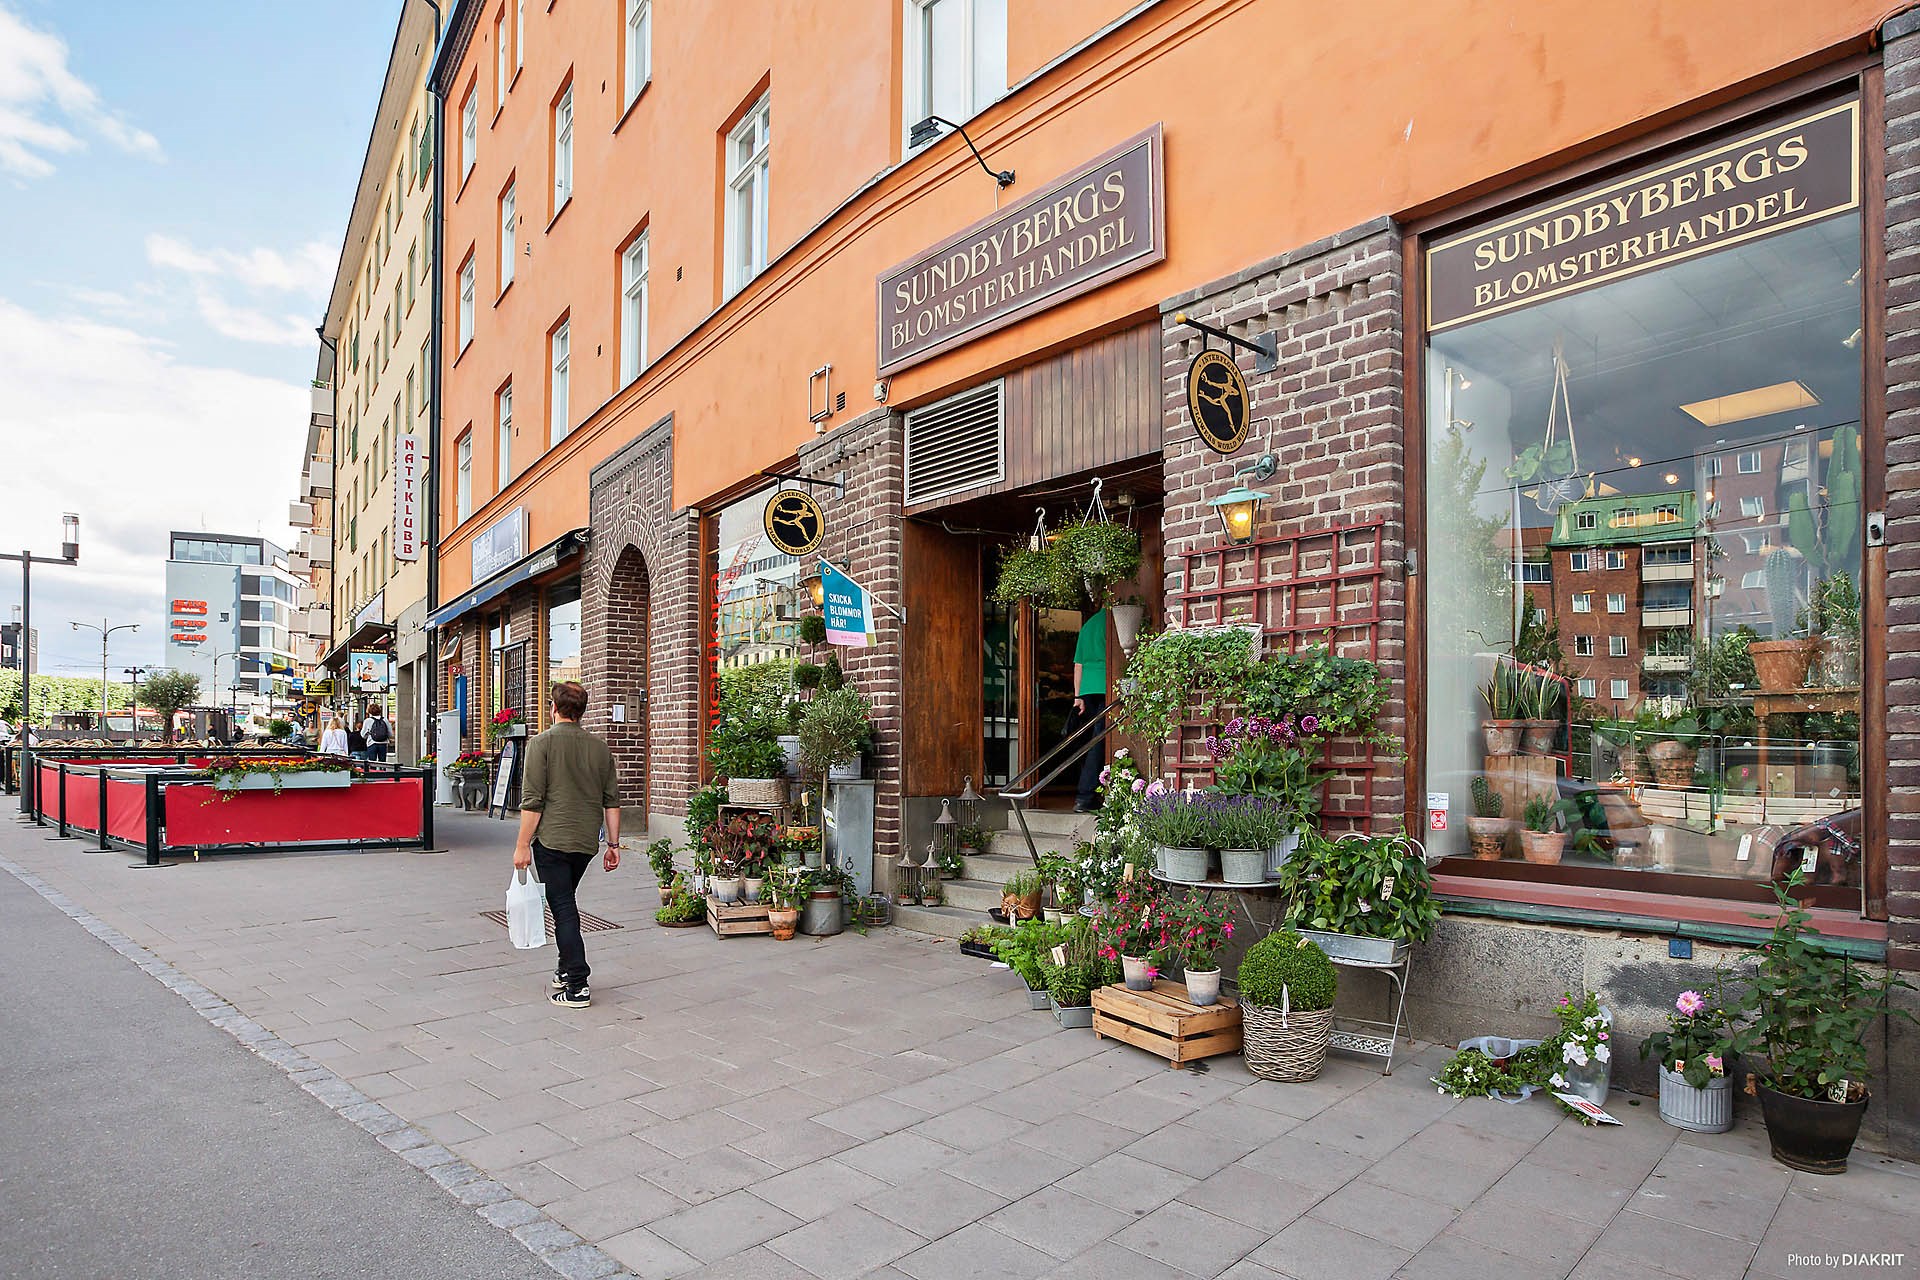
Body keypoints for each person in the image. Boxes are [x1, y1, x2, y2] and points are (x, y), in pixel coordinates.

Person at [514, 681, 621, 1008]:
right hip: (585, 843)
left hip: (552, 840)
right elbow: (611, 801)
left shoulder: (540, 744)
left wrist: (522, 845)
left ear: (553, 708)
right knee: (565, 901)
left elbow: (533, 802)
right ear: (582, 711)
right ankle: (564, 968)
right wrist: (613, 844)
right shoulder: (600, 748)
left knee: (562, 908)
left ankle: (577, 984)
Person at [1069, 606, 1109, 812]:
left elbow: (1078, 664)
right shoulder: (1113, 622)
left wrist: (1078, 696)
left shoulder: (1088, 625)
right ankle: (1085, 796)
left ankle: (1089, 794)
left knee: (1094, 741)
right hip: (1107, 686)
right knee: (1099, 743)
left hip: (1088, 689)